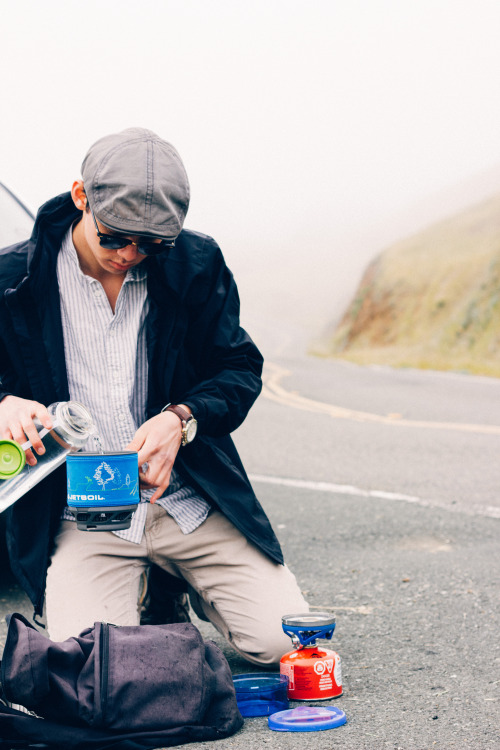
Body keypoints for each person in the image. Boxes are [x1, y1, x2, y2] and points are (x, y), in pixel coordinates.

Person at [0, 128, 308, 664]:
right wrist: (3, 403)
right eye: (115, 237)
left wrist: (182, 419)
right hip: (84, 515)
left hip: (188, 502)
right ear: (81, 196)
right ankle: (147, 592)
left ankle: (184, 582)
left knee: (287, 646)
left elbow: (237, 368)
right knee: (89, 668)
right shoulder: (11, 279)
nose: (131, 255)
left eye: (152, 244)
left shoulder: (195, 264)